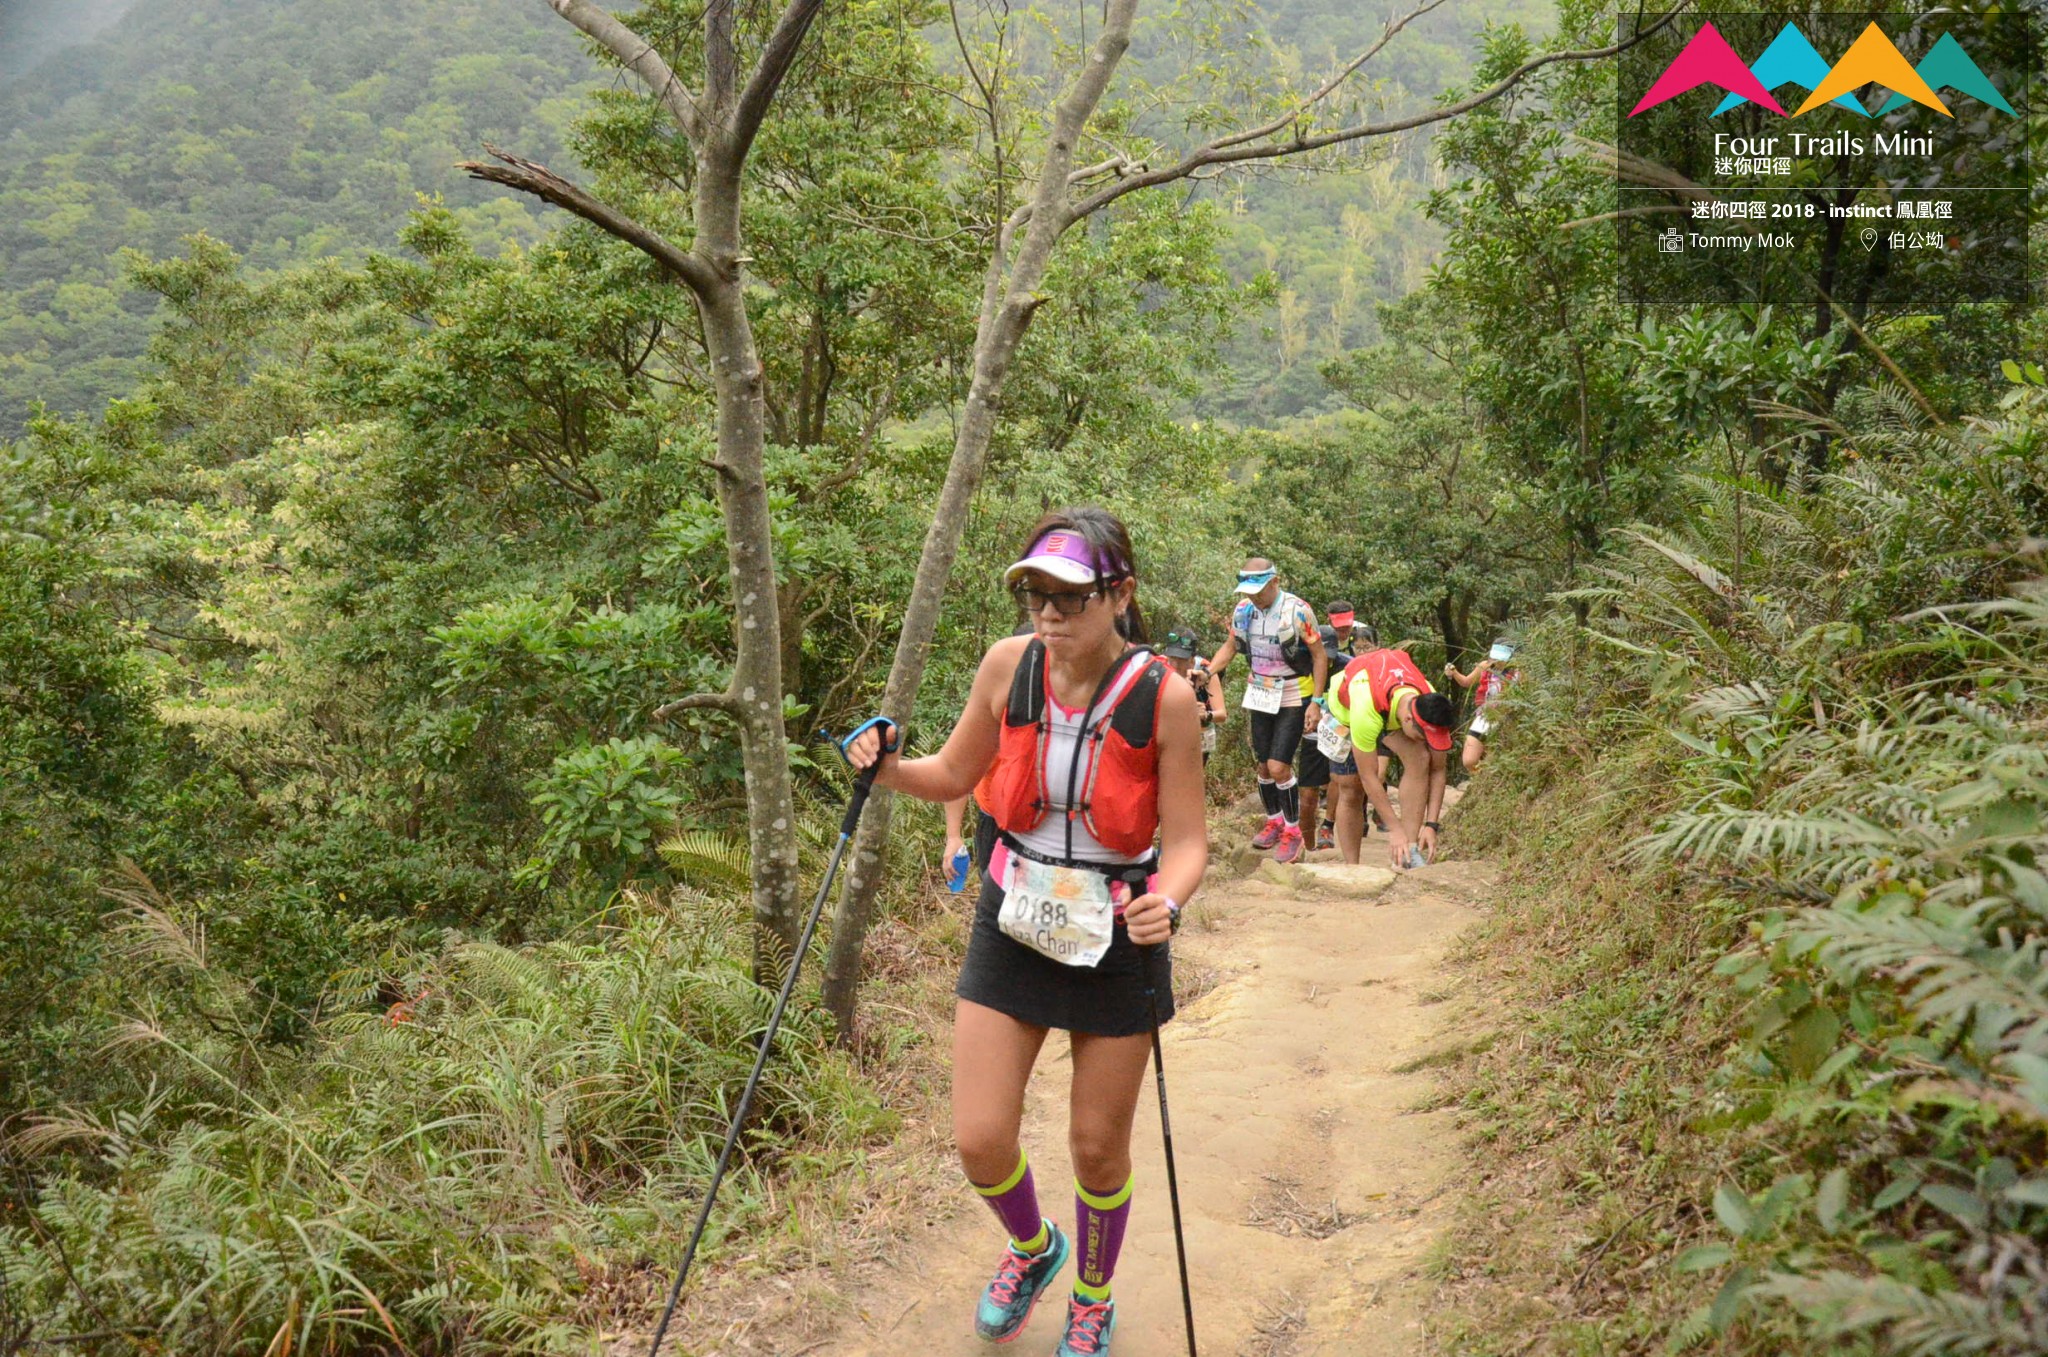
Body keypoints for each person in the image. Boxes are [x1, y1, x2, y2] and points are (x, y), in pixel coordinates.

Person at [842, 507, 1207, 1356]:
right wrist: (882, 765)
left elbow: (1189, 842)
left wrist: (1169, 901)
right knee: (979, 1138)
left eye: (1070, 596)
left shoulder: (1167, 697)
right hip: (1012, 921)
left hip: (1117, 938)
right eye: (1035, 593)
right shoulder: (1008, 666)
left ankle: (1093, 1296)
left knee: (1097, 1148)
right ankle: (1035, 1247)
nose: (1048, 611)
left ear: (1120, 594)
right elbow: (950, 774)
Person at [1203, 559, 1328, 864]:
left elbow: (1319, 656)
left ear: (1275, 582)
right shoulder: (1244, 611)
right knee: (1262, 766)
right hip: (1260, 691)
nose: (1254, 597)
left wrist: (1316, 701)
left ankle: (1294, 830)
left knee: (1278, 766)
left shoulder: (1297, 610)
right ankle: (1274, 820)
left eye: (1259, 591)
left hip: (1293, 691)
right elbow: (1231, 646)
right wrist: (1207, 672)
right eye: (1249, 592)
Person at [1326, 646, 1456, 870]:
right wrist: (1395, 829)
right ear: (1408, 720)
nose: (1427, 740)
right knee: (1351, 786)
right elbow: (1369, 776)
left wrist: (1431, 825)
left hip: (1390, 707)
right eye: (1423, 736)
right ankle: (1353, 868)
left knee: (1420, 758)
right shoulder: (1365, 711)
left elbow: (1438, 769)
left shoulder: (1429, 699)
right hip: (1348, 710)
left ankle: (1409, 851)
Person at [1297, 601, 1362, 850]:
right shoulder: (1298, 665)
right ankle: (1306, 845)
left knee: (1338, 779)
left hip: (1341, 734)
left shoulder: (1349, 666)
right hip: (1311, 737)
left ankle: (1328, 825)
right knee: (1307, 794)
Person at [1446, 641, 1518, 775]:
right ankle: (1478, 778)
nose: (1497, 661)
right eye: (1495, 657)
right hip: (1484, 716)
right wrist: (1454, 672)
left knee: (1494, 761)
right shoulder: (1485, 666)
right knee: (1469, 760)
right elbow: (1466, 682)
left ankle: (1487, 782)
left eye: (1501, 658)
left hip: (1507, 718)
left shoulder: (1519, 672)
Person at [1162, 631, 1226, 764]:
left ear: (1192, 660)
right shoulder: (1159, 667)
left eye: (1181, 660)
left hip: (1199, 734)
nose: (1176, 665)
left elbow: (1222, 714)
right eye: (1172, 659)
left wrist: (1205, 715)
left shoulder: (1205, 671)